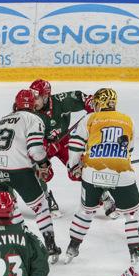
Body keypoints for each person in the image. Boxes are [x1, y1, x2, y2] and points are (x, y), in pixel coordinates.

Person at [0, 88, 61, 263]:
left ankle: (20, 245)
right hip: (16, 167)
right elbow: (34, 149)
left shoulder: (3, 119)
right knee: (41, 206)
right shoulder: (34, 118)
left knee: (10, 208)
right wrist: (43, 163)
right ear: (33, 106)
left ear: (15, 105)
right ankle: (50, 246)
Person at [64, 88, 139, 264]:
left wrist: (74, 166)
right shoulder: (129, 120)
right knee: (132, 213)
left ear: (100, 102)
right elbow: (129, 151)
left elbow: (75, 146)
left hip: (93, 172)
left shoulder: (90, 118)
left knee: (86, 211)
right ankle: (135, 253)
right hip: (122, 173)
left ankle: (72, 247)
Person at [30, 78, 116, 217]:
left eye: (37, 97)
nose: (33, 101)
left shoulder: (62, 101)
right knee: (39, 171)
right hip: (42, 144)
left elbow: (88, 100)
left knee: (80, 170)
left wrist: (93, 110)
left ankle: (104, 197)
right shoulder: (28, 109)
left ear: (46, 96)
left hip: (64, 141)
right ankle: (45, 200)